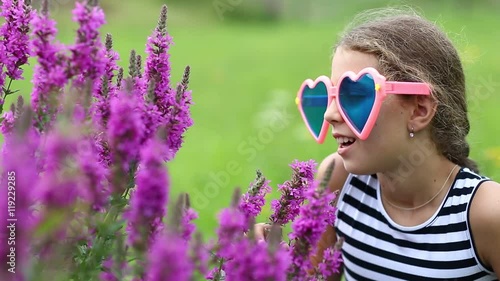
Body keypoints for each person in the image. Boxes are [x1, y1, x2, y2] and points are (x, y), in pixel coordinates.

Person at [255, 8, 500, 281]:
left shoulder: (486, 214)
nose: (330, 114)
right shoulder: (338, 182)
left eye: (355, 95)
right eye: (328, 95)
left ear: (419, 110)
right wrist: (274, 268)